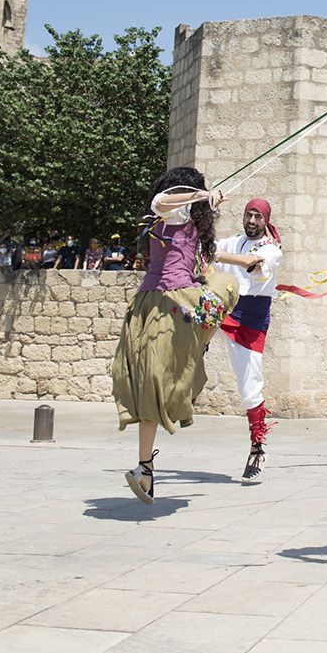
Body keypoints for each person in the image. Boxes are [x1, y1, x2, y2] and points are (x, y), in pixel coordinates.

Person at [110, 167, 239, 503]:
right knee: (148, 383)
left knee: (227, 285)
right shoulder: (167, 213)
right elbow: (160, 201)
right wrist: (201, 195)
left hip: (175, 304)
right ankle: (145, 469)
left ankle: (199, 340)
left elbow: (209, 257)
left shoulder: (190, 224)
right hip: (152, 305)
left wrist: (246, 260)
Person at [215, 198, 283, 480]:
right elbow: (206, 247)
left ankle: (258, 446)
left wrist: (219, 257)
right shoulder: (234, 242)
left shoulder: (271, 249)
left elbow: (253, 266)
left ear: (265, 220)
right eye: (248, 215)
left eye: (257, 216)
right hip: (222, 309)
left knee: (249, 386)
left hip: (251, 320)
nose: (252, 221)